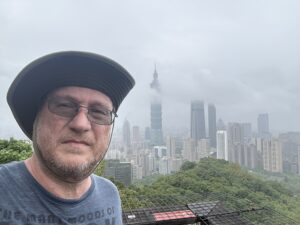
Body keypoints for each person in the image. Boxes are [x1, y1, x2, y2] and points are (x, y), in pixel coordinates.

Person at [0, 51, 135, 225]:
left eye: (98, 112)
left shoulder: (110, 195)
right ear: (36, 119)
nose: (81, 124)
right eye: (64, 106)